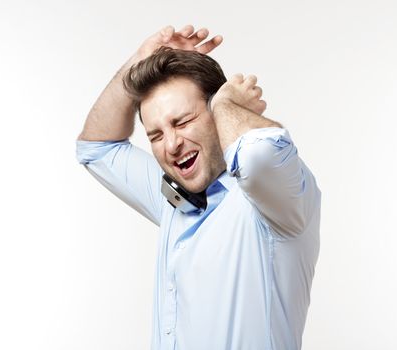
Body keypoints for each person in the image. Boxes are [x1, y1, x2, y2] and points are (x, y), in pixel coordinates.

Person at [76, 24, 321, 350]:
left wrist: (226, 106)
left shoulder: (272, 201)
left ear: (214, 113)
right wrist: (140, 59)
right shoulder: (174, 199)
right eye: (156, 135)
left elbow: (263, 153)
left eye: (182, 121)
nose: (172, 144)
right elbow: (96, 148)